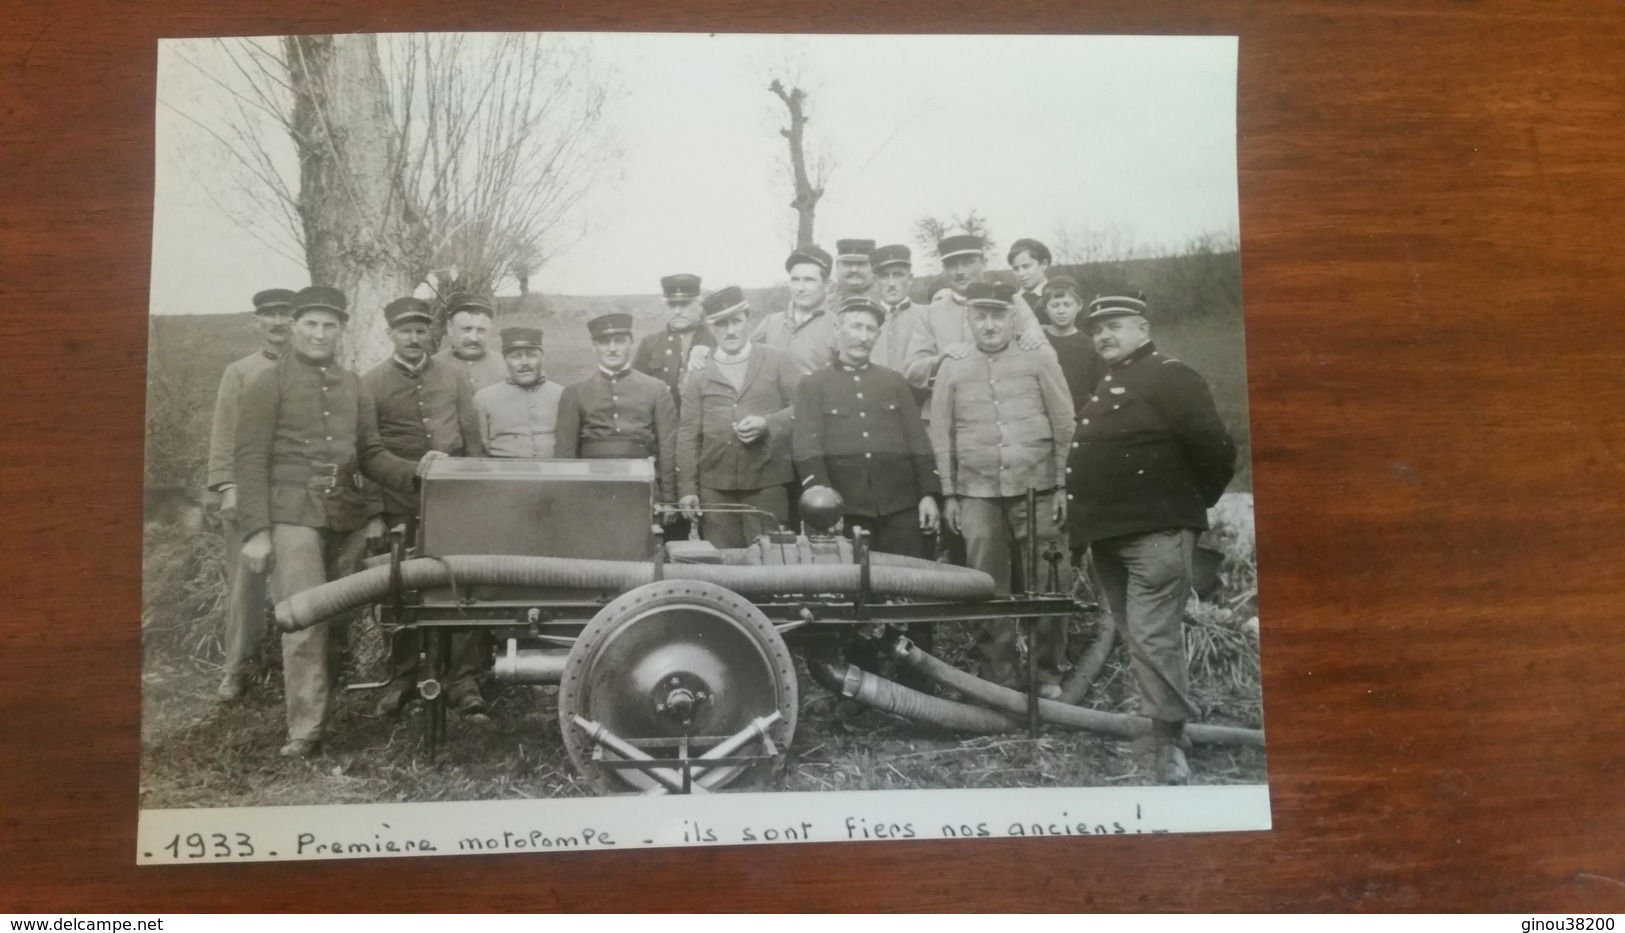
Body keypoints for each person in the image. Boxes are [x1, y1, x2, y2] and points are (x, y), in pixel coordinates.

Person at [235, 286, 438, 758]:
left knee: (341, 620)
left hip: (346, 513)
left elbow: (370, 454)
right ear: (295, 326)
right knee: (306, 621)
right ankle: (305, 731)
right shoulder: (269, 382)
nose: (320, 334)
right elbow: (248, 460)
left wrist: (418, 473)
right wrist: (257, 531)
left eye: (329, 325)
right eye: (311, 324)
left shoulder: (353, 385)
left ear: (341, 331)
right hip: (292, 515)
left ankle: (323, 712)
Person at [1066, 293, 1236, 785]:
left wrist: (1182, 508)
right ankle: (1169, 734)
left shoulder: (1170, 376)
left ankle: (1167, 746)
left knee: (1152, 638)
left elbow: (1216, 449)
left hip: (1155, 534)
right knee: (1138, 636)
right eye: (1096, 330)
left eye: (1115, 326)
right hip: (1109, 537)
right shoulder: (1110, 383)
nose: (1104, 336)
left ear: (1142, 327)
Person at [929, 282, 1075, 692]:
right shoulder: (953, 367)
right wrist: (951, 495)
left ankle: (1048, 672)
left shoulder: (1039, 358)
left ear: (1012, 318)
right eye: (980, 316)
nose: (989, 325)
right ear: (969, 320)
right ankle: (1000, 679)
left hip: (1040, 488)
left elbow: (1065, 423)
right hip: (976, 494)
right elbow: (942, 435)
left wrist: (1062, 484)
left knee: (1051, 582)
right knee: (984, 585)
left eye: (997, 315)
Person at [794, 295, 941, 682]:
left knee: (914, 593)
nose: (862, 336)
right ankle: (863, 684)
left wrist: (928, 493)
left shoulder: (893, 382)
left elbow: (917, 441)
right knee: (856, 599)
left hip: (902, 506)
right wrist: (826, 510)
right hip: (849, 512)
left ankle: (919, 681)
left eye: (870, 328)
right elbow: (808, 451)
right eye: (855, 326)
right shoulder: (814, 385)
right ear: (838, 331)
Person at [361, 296, 486, 721]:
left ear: (431, 334)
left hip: (456, 504)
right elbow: (366, 453)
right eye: (404, 331)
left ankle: (462, 679)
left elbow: (473, 442)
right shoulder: (371, 383)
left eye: (420, 331)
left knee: (461, 587)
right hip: (400, 506)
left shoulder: (453, 377)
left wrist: (472, 493)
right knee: (400, 591)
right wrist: (376, 512)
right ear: (390, 334)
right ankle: (403, 678)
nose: (413, 339)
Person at [205, 288, 294, 702]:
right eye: (270, 315)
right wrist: (227, 487)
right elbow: (224, 435)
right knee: (246, 583)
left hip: (294, 492)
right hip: (247, 488)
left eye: (286, 315)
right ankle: (238, 668)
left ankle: (299, 666)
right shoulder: (241, 371)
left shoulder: (309, 370)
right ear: (256, 321)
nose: (279, 323)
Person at [677, 286, 802, 548]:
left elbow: (804, 408)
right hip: (716, 489)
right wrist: (687, 488)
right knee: (724, 568)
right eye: (721, 324)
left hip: (768, 486)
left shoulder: (776, 360)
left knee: (773, 564)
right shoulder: (698, 372)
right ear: (710, 327)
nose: (730, 330)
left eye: (736, 321)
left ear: (748, 319)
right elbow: (688, 434)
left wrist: (768, 424)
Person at [903, 234, 1049, 409]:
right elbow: (912, 371)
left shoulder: (1012, 302)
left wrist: (1032, 339)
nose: (960, 271)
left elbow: (1044, 353)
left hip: (1008, 410)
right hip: (950, 413)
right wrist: (941, 359)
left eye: (968, 262)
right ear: (943, 268)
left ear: (984, 262)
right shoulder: (929, 313)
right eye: (951, 265)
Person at [557, 313, 679, 510]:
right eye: (604, 342)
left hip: (642, 488)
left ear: (631, 342)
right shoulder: (574, 392)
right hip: (590, 489)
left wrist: (668, 498)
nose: (612, 349)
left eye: (620, 341)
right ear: (593, 345)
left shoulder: (656, 389)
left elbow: (668, 447)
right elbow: (565, 453)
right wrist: (568, 498)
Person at [472, 327, 566, 459]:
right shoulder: (484, 398)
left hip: (553, 474)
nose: (524, 363)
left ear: (542, 357)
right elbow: (481, 446)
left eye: (531, 355)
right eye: (515, 357)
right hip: (504, 475)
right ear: (505, 359)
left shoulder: (563, 394)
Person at [751, 245, 838, 377]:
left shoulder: (837, 327)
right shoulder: (770, 323)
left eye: (809, 280)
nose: (800, 288)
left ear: (827, 286)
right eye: (795, 280)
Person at [633, 273, 714, 407]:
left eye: (684, 304)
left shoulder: (714, 341)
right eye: (672, 305)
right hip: (662, 421)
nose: (677, 311)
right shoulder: (650, 343)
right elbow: (637, 390)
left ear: (699, 305)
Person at [1040, 275, 1107, 413]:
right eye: (1055, 305)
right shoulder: (1039, 342)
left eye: (1067, 304)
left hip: (1079, 413)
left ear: (1079, 305)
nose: (1061, 311)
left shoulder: (1090, 345)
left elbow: (1100, 390)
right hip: (1043, 412)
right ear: (1045, 308)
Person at [867, 244, 926, 380]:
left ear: (910, 279)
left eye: (898, 275)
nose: (892, 283)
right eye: (884, 277)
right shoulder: (867, 319)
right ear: (875, 282)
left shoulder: (927, 315)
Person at [434, 294, 507, 394]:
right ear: (450, 328)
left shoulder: (506, 366)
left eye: (481, 330)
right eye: (466, 329)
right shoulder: (431, 367)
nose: (474, 338)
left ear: (491, 329)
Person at [1008, 237, 1054, 325]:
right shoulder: (1012, 301)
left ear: (1044, 264)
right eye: (1016, 268)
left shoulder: (1059, 299)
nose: (1021, 274)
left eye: (1026, 266)